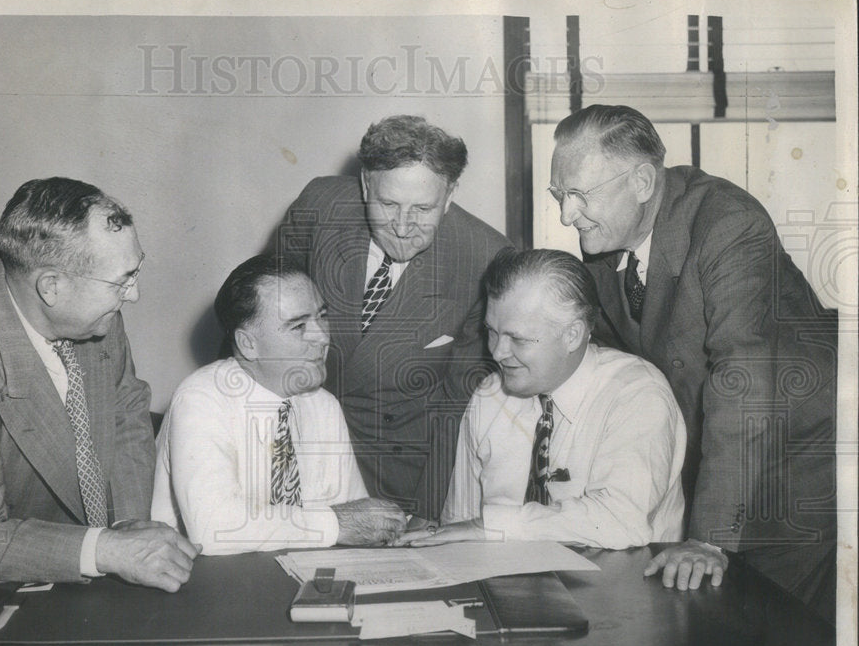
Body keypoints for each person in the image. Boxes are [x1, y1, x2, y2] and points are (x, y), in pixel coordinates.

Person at [550, 104, 837, 620]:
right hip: (716, 477)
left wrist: (710, 538)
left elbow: (743, 382)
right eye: (559, 196)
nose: (566, 215)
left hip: (791, 480)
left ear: (641, 181)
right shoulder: (606, 242)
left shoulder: (729, 225)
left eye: (578, 196)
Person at [0, 177, 198, 591]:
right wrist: (109, 550)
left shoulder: (90, 305)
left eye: (134, 270)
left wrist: (127, 525)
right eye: (122, 280)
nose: (133, 294)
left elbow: (125, 409)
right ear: (51, 286)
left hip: (64, 555)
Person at [271, 115, 516, 522]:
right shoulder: (320, 206)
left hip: (397, 476)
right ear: (366, 184)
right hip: (297, 448)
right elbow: (260, 312)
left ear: (450, 195)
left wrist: (429, 511)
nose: (403, 227)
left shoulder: (484, 258)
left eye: (423, 208)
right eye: (387, 205)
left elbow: (458, 405)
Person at [398, 248, 686, 549]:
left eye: (518, 339)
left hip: (618, 588)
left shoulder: (637, 394)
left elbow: (619, 522)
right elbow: (460, 526)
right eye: (492, 332)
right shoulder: (490, 395)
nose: (497, 352)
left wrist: (495, 527)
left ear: (573, 334)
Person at [151, 255, 407, 554]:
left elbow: (357, 520)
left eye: (322, 316)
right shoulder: (201, 399)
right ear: (248, 344)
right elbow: (213, 529)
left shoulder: (323, 406)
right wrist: (337, 524)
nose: (322, 336)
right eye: (298, 326)